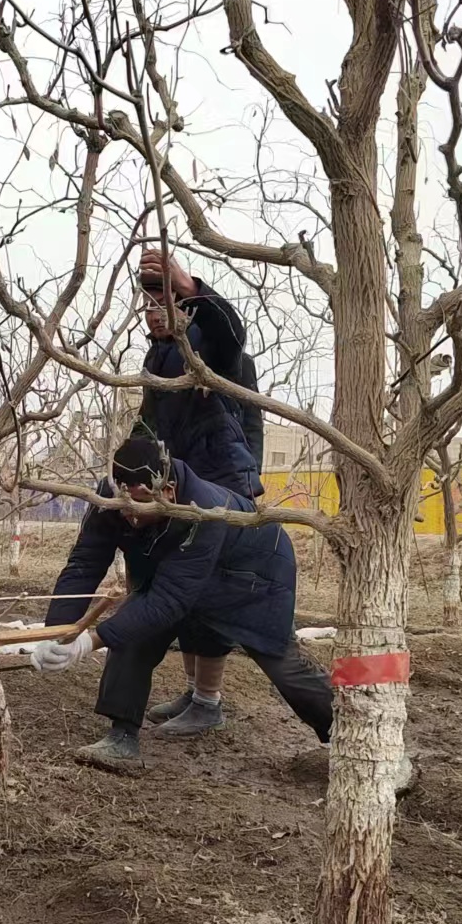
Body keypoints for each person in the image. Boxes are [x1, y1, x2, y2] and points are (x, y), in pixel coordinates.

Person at [31, 436, 332, 776]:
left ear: (168, 490)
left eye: (140, 505)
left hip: (254, 574)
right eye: (123, 504)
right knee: (136, 629)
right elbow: (83, 564)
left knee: (282, 663)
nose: (129, 517)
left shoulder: (203, 510)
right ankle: (122, 736)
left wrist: (89, 641)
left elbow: (169, 600)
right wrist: (55, 633)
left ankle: (347, 735)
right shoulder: (110, 499)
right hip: (185, 572)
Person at [135, 248, 265, 740]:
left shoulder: (216, 349)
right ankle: (194, 692)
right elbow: (151, 419)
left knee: (209, 594)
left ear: (186, 309)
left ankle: (209, 702)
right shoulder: (160, 356)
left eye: (163, 303)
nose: (152, 313)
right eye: (147, 305)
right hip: (182, 487)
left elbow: (232, 331)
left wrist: (191, 287)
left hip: (223, 489)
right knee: (184, 594)